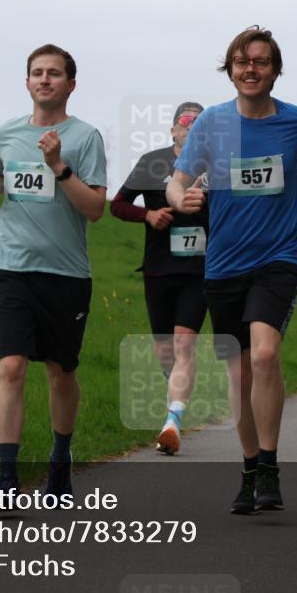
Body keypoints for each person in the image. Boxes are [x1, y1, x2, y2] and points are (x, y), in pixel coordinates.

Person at [167, 26, 297, 514]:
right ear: (231, 69)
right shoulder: (212, 124)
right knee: (239, 375)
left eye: (260, 62)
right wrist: (184, 200)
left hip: (277, 259)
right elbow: (176, 183)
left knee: (264, 356)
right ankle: (247, 470)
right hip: (222, 265)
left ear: (275, 71)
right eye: (242, 62)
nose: (250, 69)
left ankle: (270, 465)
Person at [0, 44, 107, 503]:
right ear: (27, 82)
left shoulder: (86, 137)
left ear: (70, 84)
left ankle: (59, 459)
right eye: (37, 73)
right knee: (10, 367)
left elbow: (95, 209)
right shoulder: (9, 132)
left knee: (60, 373)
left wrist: (59, 167)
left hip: (66, 275)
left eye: (54, 73)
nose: (45, 79)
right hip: (10, 267)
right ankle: (7, 477)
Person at [110, 101, 208, 455]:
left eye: (200, 121)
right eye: (186, 120)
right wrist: (148, 215)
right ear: (173, 129)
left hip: (199, 272)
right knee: (165, 350)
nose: (192, 125)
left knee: (184, 344)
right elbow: (117, 205)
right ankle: (177, 396)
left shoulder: (217, 166)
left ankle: (173, 421)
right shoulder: (152, 161)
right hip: (158, 269)